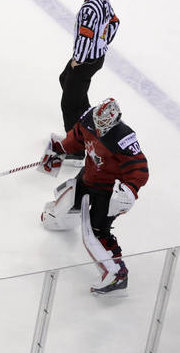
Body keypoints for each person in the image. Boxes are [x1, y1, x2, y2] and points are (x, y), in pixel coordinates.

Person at [40, 97, 149, 294]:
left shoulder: (123, 137)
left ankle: (117, 274)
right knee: (67, 198)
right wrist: (61, 148)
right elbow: (77, 137)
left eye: (104, 126)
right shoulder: (90, 119)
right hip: (90, 176)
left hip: (108, 191)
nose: (99, 130)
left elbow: (139, 168)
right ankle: (59, 220)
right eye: (97, 124)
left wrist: (130, 189)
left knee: (96, 232)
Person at [59, 0, 119, 132]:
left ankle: (75, 148)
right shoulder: (103, 0)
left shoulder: (89, 9)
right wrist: (103, 42)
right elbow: (115, 22)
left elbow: (86, 37)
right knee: (65, 79)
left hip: (85, 61)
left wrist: (78, 59)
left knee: (68, 104)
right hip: (95, 58)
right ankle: (87, 115)